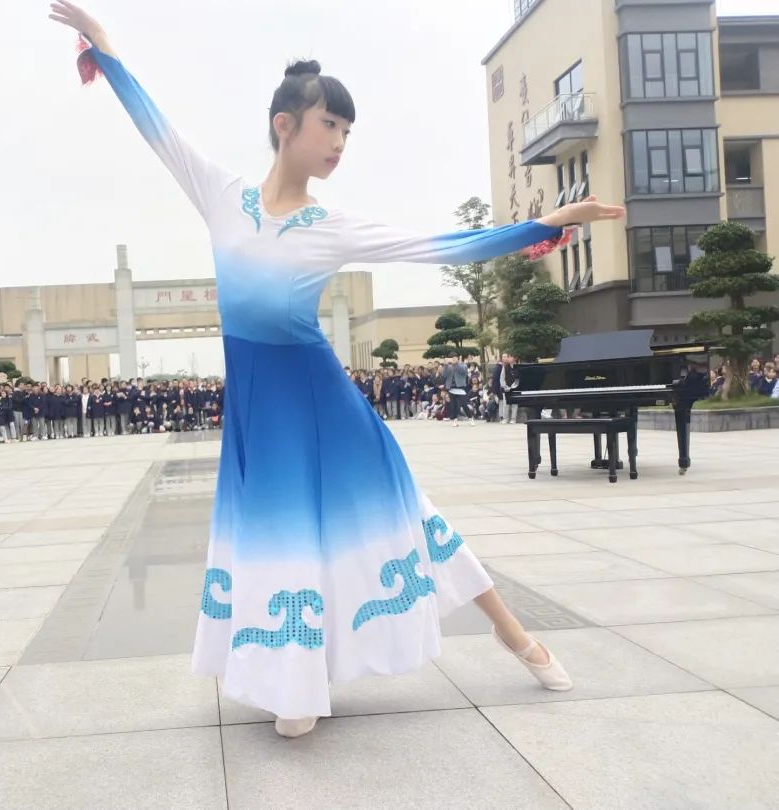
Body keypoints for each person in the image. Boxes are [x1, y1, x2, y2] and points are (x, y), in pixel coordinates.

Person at [48, 0, 625, 737]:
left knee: (409, 516)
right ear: (285, 124)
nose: (341, 143)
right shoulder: (222, 197)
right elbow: (156, 127)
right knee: (282, 536)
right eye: (330, 125)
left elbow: (441, 246)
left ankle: (517, 637)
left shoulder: (330, 228)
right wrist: (105, 47)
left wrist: (544, 226)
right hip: (259, 409)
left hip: (319, 399)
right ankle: (297, 683)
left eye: (348, 131)